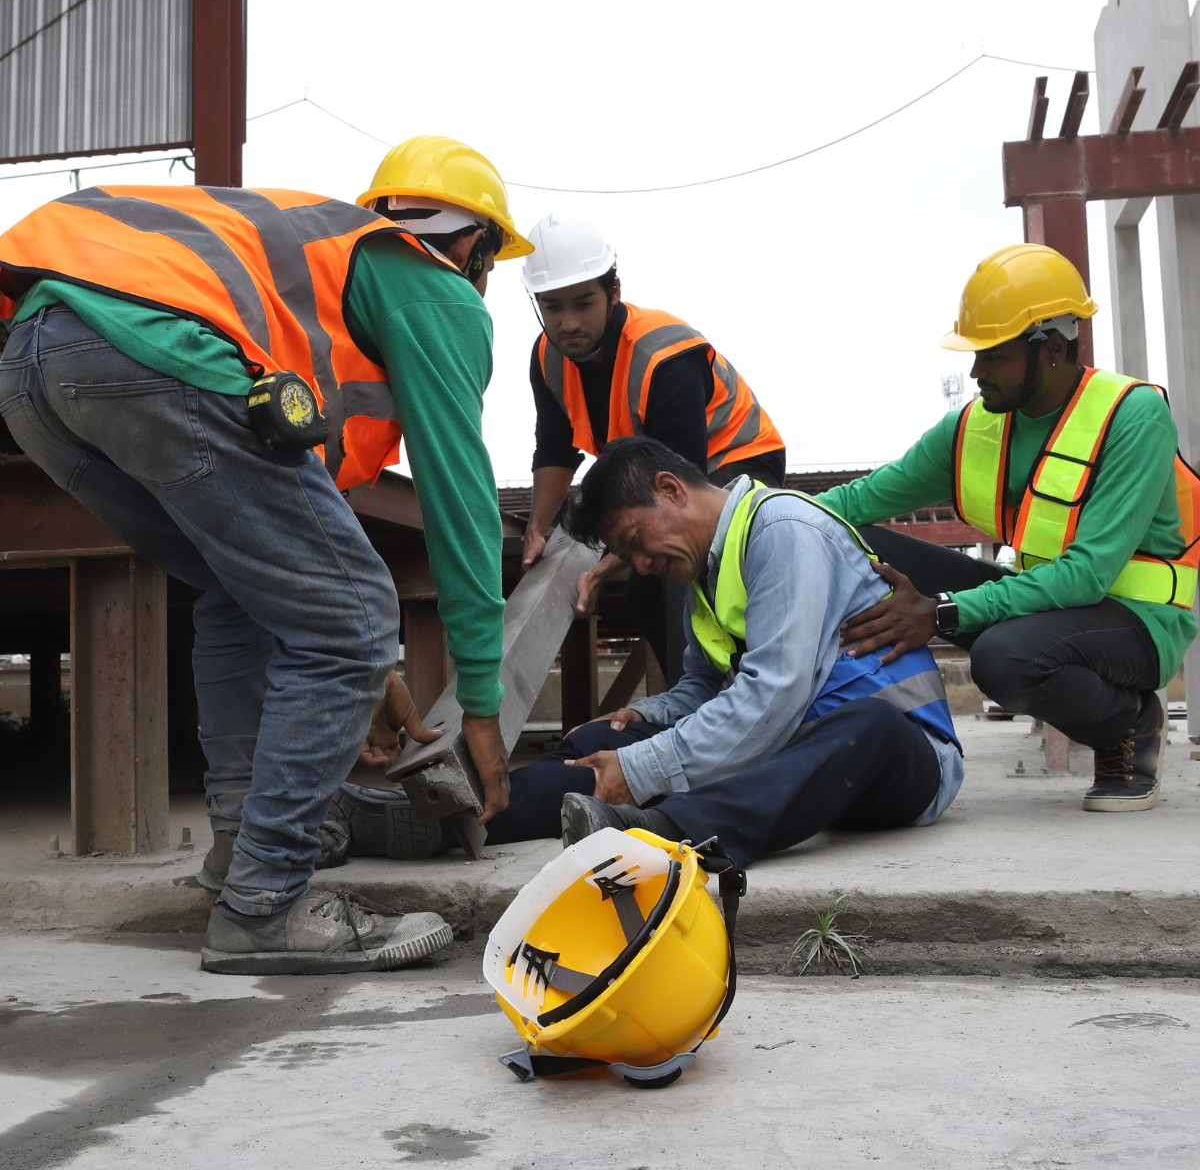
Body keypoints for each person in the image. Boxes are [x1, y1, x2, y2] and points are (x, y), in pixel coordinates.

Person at [0, 135, 530, 972]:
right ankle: (266, 903)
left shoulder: (313, 271)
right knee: (356, 618)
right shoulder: (436, 288)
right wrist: (484, 705)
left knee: (241, 596)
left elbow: (290, 559)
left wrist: (374, 680)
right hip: (151, 347)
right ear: (475, 247)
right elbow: (458, 495)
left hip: (33, 365)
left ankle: (242, 854)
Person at [813, 243, 1200, 814]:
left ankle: (1131, 725)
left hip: (1135, 623)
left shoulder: (1133, 418)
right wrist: (750, 515)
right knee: (847, 538)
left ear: (1053, 349)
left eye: (992, 354)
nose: (975, 371)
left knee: (1003, 658)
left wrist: (942, 612)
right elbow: (857, 500)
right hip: (1048, 605)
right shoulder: (974, 427)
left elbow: (1089, 576)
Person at [483, 436, 964, 867]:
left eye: (635, 542)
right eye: (628, 559)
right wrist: (645, 714)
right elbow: (706, 688)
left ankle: (664, 831)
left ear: (671, 489)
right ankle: (468, 815)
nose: (643, 566)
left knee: (869, 723)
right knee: (603, 741)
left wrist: (644, 767)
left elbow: (774, 695)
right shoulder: (705, 572)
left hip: (901, 758)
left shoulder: (785, 529)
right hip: (786, 750)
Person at [518, 213, 786, 686]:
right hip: (657, 479)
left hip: (735, 464)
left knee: (678, 575)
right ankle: (693, 699)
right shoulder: (547, 359)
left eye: (583, 303)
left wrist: (601, 569)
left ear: (614, 291)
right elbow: (555, 449)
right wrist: (538, 527)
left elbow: (677, 494)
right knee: (642, 597)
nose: (569, 323)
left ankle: (729, 703)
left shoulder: (664, 355)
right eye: (552, 307)